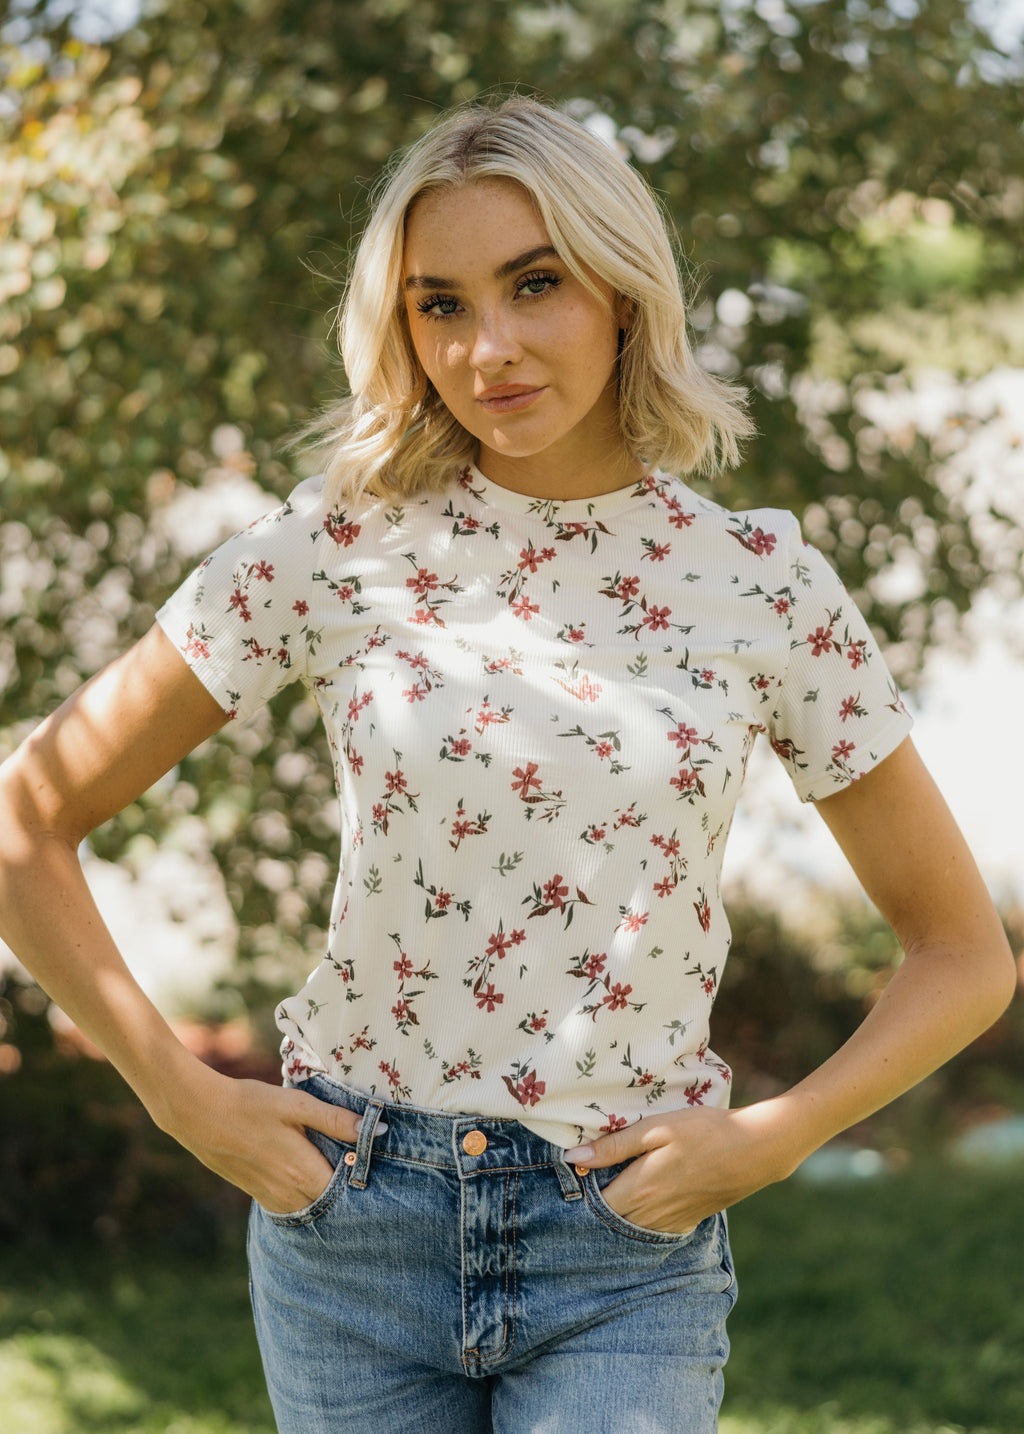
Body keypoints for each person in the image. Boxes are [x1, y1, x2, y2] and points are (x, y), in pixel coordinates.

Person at [0, 94, 1014, 1434]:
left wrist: (769, 1141)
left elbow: (963, 954)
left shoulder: (762, 583)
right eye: (441, 304)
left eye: (536, 283)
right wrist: (186, 1101)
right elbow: (26, 819)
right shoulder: (333, 550)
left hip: (622, 1239)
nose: (489, 348)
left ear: (622, 290)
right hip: (353, 1222)